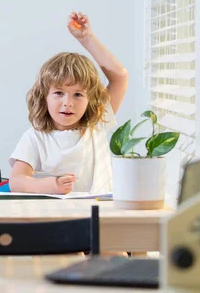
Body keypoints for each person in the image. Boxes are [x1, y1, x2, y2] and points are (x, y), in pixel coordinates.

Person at [9, 11, 128, 194]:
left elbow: (120, 76)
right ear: (44, 97)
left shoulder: (96, 124)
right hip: (57, 218)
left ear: (91, 100)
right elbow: (16, 182)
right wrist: (49, 186)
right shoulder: (35, 137)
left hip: (98, 216)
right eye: (59, 93)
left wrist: (86, 38)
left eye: (78, 95)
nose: (68, 103)